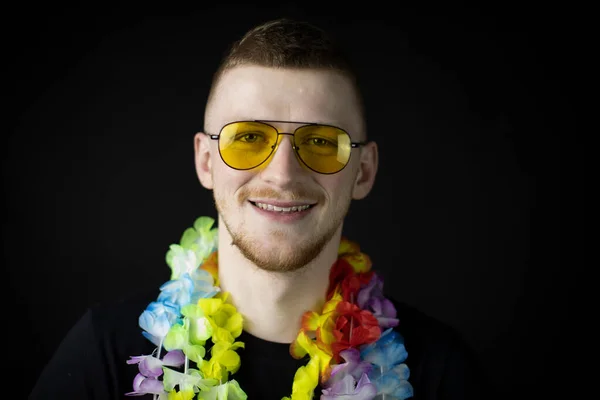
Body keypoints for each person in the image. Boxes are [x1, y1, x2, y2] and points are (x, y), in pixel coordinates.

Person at [29, 17, 493, 400]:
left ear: (364, 171)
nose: (282, 175)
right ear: (206, 161)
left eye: (320, 142)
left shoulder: (438, 374)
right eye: (249, 138)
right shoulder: (105, 356)